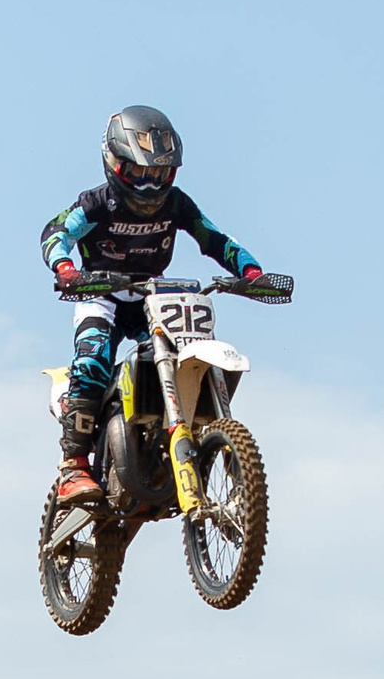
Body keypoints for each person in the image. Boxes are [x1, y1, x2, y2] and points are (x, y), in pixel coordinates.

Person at [39, 105, 271, 506]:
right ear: (114, 163)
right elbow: (55, 233)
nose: (149, 186)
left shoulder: (177, 204)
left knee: (187, 354)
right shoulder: (96, 203)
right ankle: (73, 466)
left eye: (159, 175)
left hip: (154, 296)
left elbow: (215, 240)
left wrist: (251, 272)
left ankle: (167, 442)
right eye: (139, 172)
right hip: (101, 294)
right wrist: (65, 268)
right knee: (92, 363)